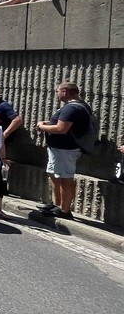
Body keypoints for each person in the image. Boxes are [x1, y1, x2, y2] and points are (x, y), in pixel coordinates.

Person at [35, 81, 92, 220]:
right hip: (59, 149)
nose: (57, 94)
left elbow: (61, 129)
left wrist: (41, 127)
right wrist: (49, 124)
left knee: (66, 178)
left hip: (65, 150)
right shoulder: (76, 107)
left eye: (58, 91)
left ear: (65, 92)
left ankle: (64, 211)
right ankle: (57, 205)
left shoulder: (72, 108)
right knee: (55, 175)